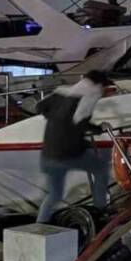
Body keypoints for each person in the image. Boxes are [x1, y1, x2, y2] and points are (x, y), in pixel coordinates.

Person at [36, 70, 111, 223]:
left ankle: (40, 224)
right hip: (69, 154)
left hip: (48, 155)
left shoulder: (62, 92)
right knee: (101, 169)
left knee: (54, 195)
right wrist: (100, 128)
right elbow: (80, 123)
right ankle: (100, 210)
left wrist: (57, 121)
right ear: (98, 84)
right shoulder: (89, 96)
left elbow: (39, 107)